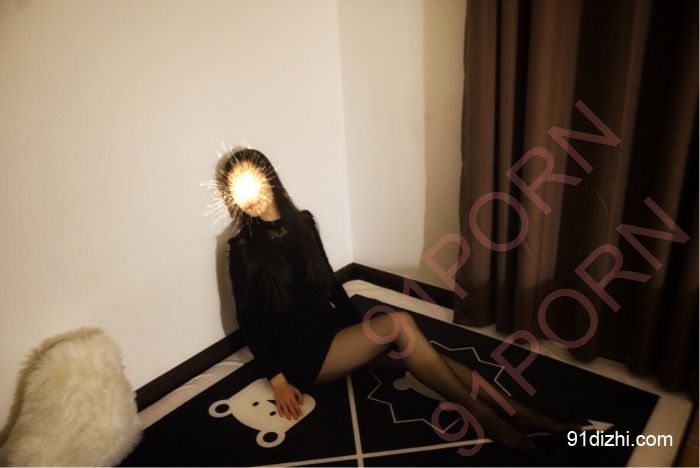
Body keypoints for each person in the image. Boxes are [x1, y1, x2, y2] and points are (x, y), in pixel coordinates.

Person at [221, 148, 577, 452]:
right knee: (400, 324)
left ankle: (519, 412)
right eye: (236, 190)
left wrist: (360, 334)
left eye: (249, 183)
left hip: (332, 334)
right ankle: (487, 418)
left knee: (423, 354)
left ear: (269, 178)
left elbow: (329, 284)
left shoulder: (304, 222)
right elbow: (249, 320)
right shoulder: (243, 249)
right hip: (302, 355)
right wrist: (278, 379)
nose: (247, 198)